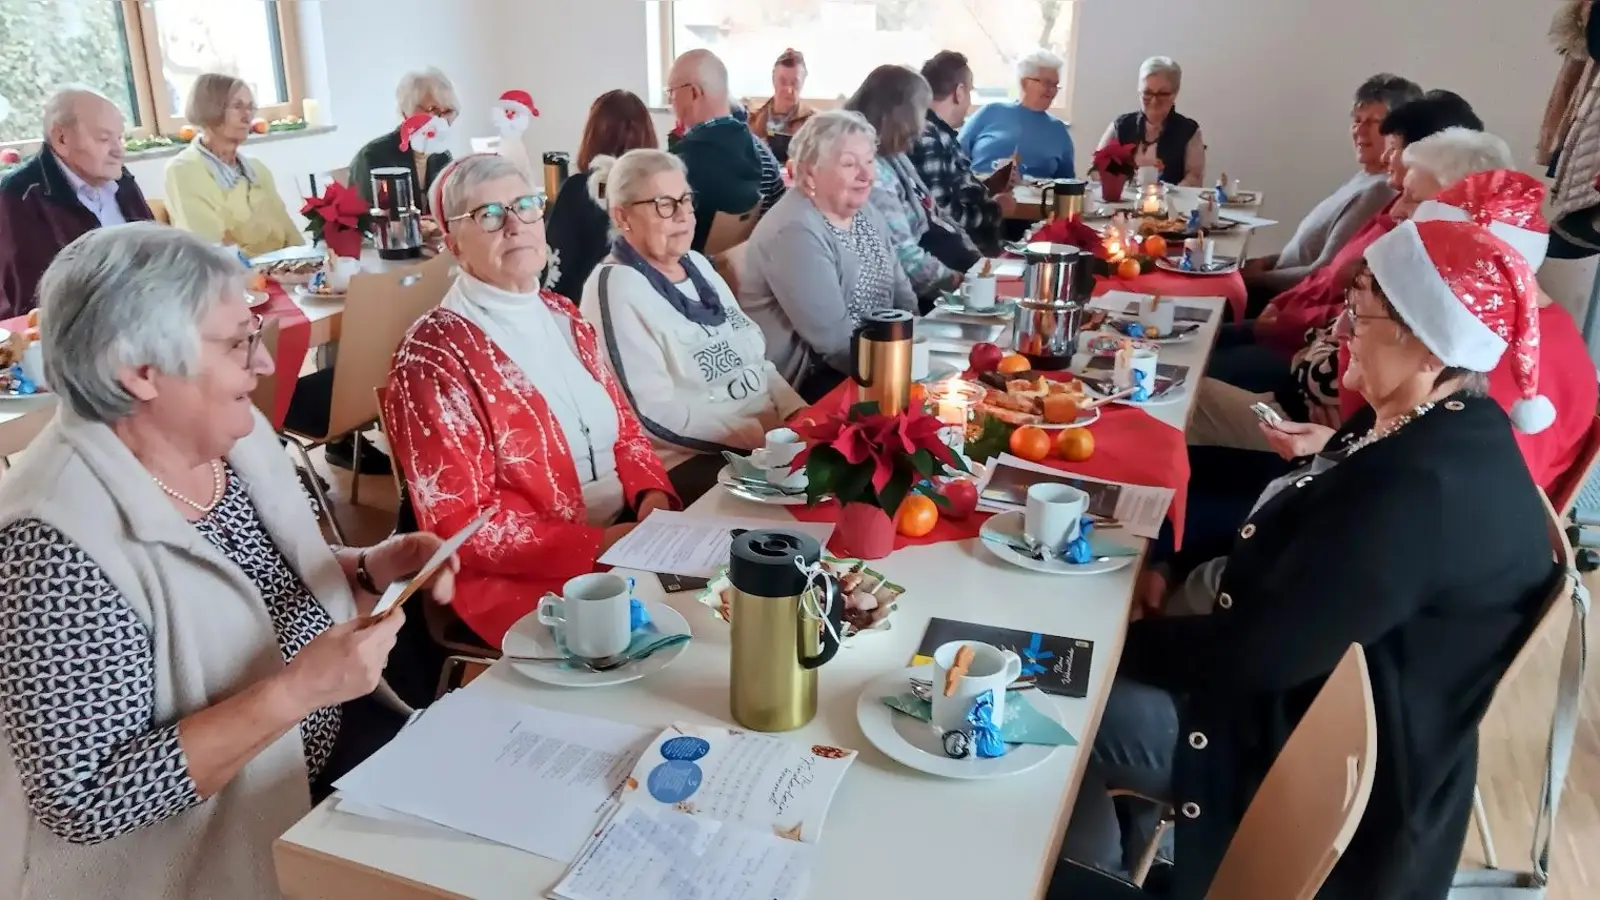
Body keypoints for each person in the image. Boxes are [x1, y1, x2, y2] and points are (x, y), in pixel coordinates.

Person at [1063, 218, 1558, 900]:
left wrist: (1113, 640)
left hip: (1300, 763)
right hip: (1301, 710)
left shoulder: (1418, 491)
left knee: (1065, 699)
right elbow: (1278, 548)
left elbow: (1258, 658)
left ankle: (1085, 877)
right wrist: (1170, 575)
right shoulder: (1429, 425)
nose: (1342, 329)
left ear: (1426, 342)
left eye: (1362, 312)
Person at [0, 223, 458, 900]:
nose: (266, 362)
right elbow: (85, 802)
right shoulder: (53, 545)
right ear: (140, 371)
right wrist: (299, 691)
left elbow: (238, 592)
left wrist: (367, 568)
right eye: (239, 342)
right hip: (211, 862)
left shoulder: (231, 443)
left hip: (320, 781)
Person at [383, 154, 677, 648]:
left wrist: (650, 503)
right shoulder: (433, 357)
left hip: (627, 543)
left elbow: (624, 430)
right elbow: (464, 529)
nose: (514, 225)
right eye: (489, 215)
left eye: (525, 206)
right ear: (454, 244)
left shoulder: (563, 314)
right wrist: (606, 543)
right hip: (524, 586)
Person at [1203, 96, 1490, 401]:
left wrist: (1279, 318)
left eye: (1393, 148)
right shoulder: (1394, 205)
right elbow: (1329, 275)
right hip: (1292, 328)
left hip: (1301, 354)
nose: (1388, 159)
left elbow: (1348, 325)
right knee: (1196, 336)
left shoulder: (1414, 241)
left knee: (1195, 365)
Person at [580, 150, 805, 501]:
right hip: (697, 461)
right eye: (664, 205)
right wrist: (758, 435)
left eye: (686, 199)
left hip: (764, 441)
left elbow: (754, 360)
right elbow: (652, 417)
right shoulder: (615, 286)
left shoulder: (697, 264)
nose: (684, 215)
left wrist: (796, 410)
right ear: (622, 216)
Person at [739, 110, 916, 401]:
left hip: (871, 361)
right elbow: (835, 344)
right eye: (849, 164)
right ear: (810, 172)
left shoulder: (864, 212)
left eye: (869, 161)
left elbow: (901, 292)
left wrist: (916, 344)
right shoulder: (794, 231)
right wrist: (900, 371)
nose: (866, 175)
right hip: (811, 383)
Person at [1240, 74, 1420, 301]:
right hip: (1273, 289)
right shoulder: (1365, 177)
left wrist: (1247, 281)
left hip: (1282, 302)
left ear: (1399, 132)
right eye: (1357, 120)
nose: (1360, 130)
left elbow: (1322, 273)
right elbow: (1306, 252)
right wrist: (1265, 263)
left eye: (1375, 122)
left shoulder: (1379, 190)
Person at [0, 88, 153, 319]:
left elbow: (157, 253)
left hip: (142, 315)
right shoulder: (18, 195)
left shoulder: (120, 179)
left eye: (120, 138)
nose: (118, 151)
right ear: (62, 139)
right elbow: (33, 305)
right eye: (104, 139)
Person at [850, 64, 979, 301]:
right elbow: (904, 254)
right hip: (931, 292)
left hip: (954, 276)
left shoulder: (894, 155)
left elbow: (939, 214)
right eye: (921, 113)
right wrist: (958, 281)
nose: (923, 125)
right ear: (901, 115)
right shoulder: (872, 172)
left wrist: (976, 260)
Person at [164, 73, 302, 256]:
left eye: (251, 108)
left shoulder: (257, 169)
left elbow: (290, 235)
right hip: (229, 280)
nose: (248, 117)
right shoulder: (182, 171)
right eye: (237, 107)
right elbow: (214, 252)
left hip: (283, 277)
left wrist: (311, 265)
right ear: (210, 109)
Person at [545, 90, 658, 301]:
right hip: (652, 305)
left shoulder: (580, 189)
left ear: (593, 134)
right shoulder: (663, 191)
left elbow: (554, 268)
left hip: (589, 311)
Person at [668, 49, 773, 252]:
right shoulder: (758, 150)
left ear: (694, 92)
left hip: (688, 273)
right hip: (732, 270)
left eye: (672, 91)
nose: (670, 100)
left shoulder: (681, 165)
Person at [910, 50, 1013, 255]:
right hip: (962, 258)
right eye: (970, 93)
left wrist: (991, 186)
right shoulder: (929, 138)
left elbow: (952, 192)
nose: (968, 104)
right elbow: (940, 216)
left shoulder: (939, 133)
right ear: (959, 92)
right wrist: (996, 210)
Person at [346, 68, 458, 214]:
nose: (441, 120)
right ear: (406, 112)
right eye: (432, 109)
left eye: (448, 111)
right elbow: (367, 217)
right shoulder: (373, 156)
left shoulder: (442, 156)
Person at [959, 50, 1075, 180]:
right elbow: (955, 155)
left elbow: (1067, 183)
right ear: (1024, 83)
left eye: (1055, 85)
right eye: (1047, 83)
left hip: (1034, 199)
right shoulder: (991, 112)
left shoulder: (1058, 130)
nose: (1052, 91)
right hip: (978, 194)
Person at [1096, 56, 1204, 186]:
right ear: (1139, 90)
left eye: (1162, 94)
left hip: (1171, 204)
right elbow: (1096, 168)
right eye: (1147, 93)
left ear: (1175, 93)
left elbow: (1194, 177)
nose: (1154, 101)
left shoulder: (1188, 130)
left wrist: (1167, 197)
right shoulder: (1122, 125)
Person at [746, 48, 815, 162]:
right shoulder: (753, 119)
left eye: (795, 83)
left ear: (803, 82)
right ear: (773, 79)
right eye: (782, 81)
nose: (788, 90)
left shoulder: (813, 124)